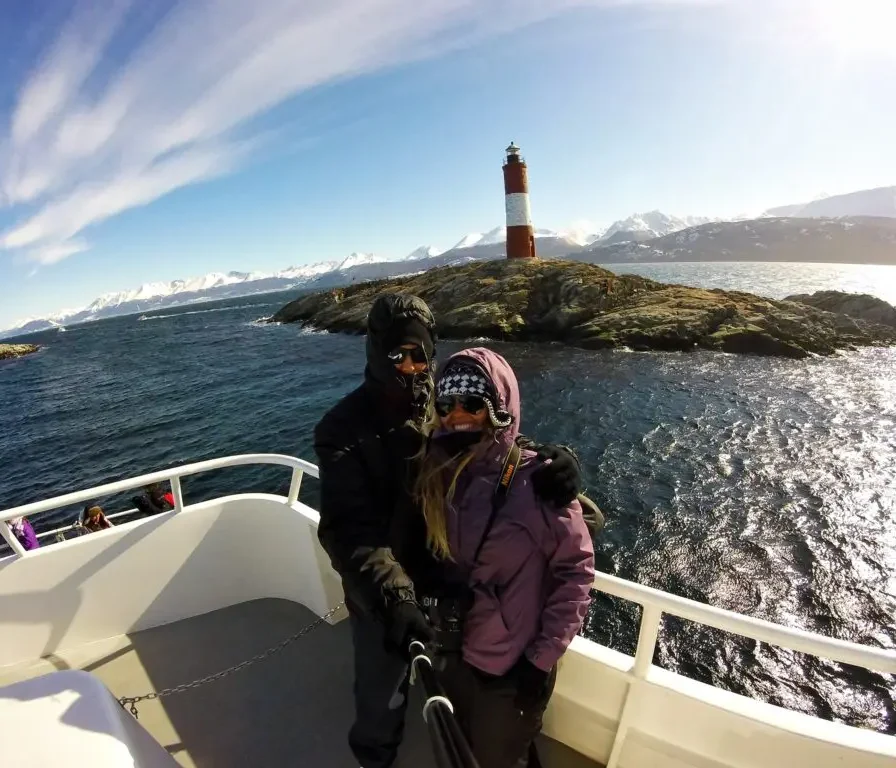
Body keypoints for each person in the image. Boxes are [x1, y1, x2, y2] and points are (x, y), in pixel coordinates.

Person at [313, 293, 584, 768]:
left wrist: (557, 465)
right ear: (377, 352)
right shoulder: (341, 429)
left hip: (451, 592)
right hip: (384, 598)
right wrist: (395, 599)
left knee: (466, 701)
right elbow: (349, 529)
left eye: (422, 355)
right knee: (382, 695)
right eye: (399, 355)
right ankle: (376, 759)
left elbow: (494, 443)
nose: (413, 367)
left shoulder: (441, 400)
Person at [416, 348, 595, 768]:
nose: (458, 414)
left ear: (498, 406)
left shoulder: (538, 482)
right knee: (462, 744)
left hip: (510, 668)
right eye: (447, 404)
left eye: (474, 403)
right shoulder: (435, 470)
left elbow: (576, 573)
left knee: (498, 756)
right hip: (454, 648)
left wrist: (540, 660)